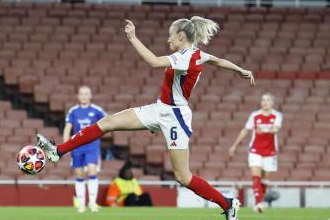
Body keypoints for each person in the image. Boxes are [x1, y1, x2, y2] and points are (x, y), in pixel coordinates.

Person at [37, 16, 255, 220]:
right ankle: (58, 152)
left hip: (175, 117)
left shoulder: (184, 57)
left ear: (181, 36)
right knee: (108, 123)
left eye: (171, 35)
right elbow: (218, 61)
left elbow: (153, 61)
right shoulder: (198, 55)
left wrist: (132, 38)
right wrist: (240, 70)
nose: (168, 39)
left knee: (183, 177)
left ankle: (228, 205)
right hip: (160, 108)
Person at [229, 93, 282, 213]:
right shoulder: (255, 115)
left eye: (268, 100)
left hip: (270, 152)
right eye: (263, 100)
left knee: (265, 180)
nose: (265, 102)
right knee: (256, 176)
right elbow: (245, 130)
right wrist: (234, 145)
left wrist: (264, 129)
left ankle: (259, 201)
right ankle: (258, 204)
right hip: (255, 150)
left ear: (272, 103)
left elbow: (275, 129)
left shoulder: (277, 115)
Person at [63, 86, 106, 213]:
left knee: (92, 170)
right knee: (79, 174)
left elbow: (108, 122)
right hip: (77, 147)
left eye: (86, 93)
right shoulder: (73, 111)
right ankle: (81, 204)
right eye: (81, 93)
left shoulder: (97, 110)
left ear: (90, 96)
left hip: (92, 146)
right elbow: (67, 129)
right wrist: (66, 146)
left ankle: (92, 203)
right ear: (78, 96)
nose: (83, 96)